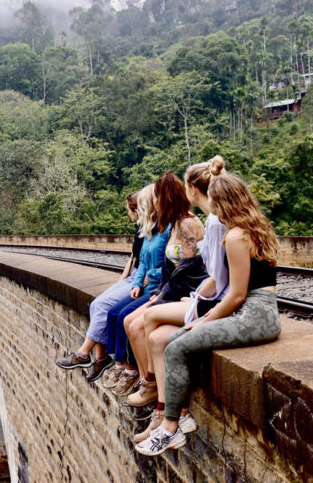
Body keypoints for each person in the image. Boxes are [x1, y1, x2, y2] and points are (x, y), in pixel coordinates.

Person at [135, 165, 281, 456]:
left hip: (255, 316)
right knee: (175, 341)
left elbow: (237, 294)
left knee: (177, 346)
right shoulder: (253, 227)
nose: (211, 207)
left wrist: (205, 320)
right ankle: (176, 420)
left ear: (223, 201)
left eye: (214, 200)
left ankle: (169, 428)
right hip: (261, 311)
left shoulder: (237, 237)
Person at [126, 159, 225, 441]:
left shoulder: (190, 225)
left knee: (144, 321)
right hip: (178, 292)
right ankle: (156, 397)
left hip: (190, 294)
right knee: (141, 327)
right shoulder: (173, 226)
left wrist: (162, 297)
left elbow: (191, 270)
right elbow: (173, 268)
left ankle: (155, 390)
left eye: (157, 197)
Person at [57, 192, 143, 380]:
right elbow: (133, 257)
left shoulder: (152, 230)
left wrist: (135, 282)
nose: (128, 215)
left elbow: (148, 263)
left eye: (128, 211)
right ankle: (100, 359)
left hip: (140, 280)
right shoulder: (140, 228)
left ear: (136, 210)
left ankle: (83, 353)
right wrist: (121, 280)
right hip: (131, 277)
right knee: (96, 304)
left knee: (103, 306)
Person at [102, 184, 169, 395]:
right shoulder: (148, 230)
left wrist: (152, 277)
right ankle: (120, 365)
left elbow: (169, 265)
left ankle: (132, 372)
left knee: (125, 316)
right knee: (114, 312)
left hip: (158, 286)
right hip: (145, 285)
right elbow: (141, 264)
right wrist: (136, 283)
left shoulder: (166, 229)